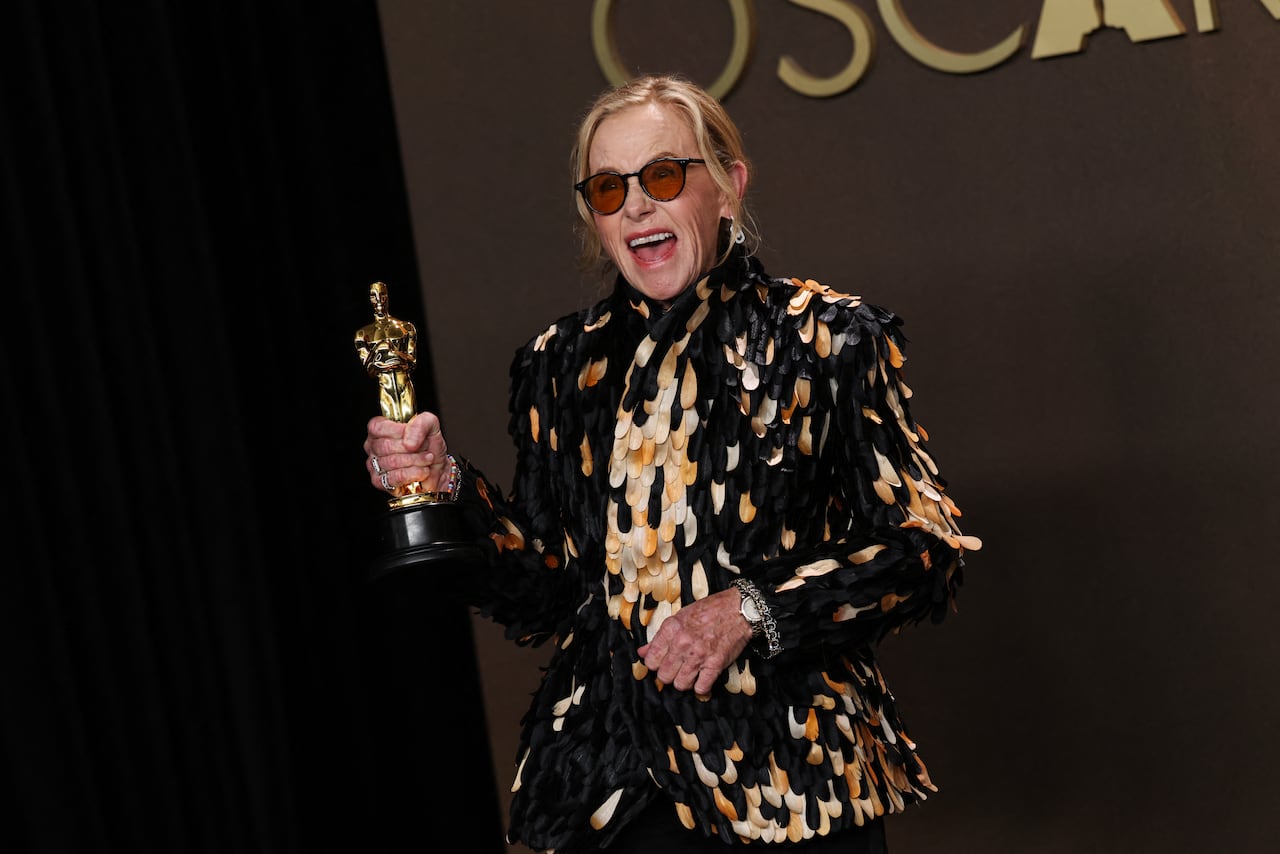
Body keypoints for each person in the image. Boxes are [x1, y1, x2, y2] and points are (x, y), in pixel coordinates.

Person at [362, 73, 981, 853]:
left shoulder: (829, 339)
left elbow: (921, 548)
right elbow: (546, 594)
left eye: (661, 175)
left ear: (726, 188)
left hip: (791, 784)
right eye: (610, 189)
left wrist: (750, 610)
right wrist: (447, 486)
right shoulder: (558, 367)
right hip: (614, 791)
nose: (638, 206)